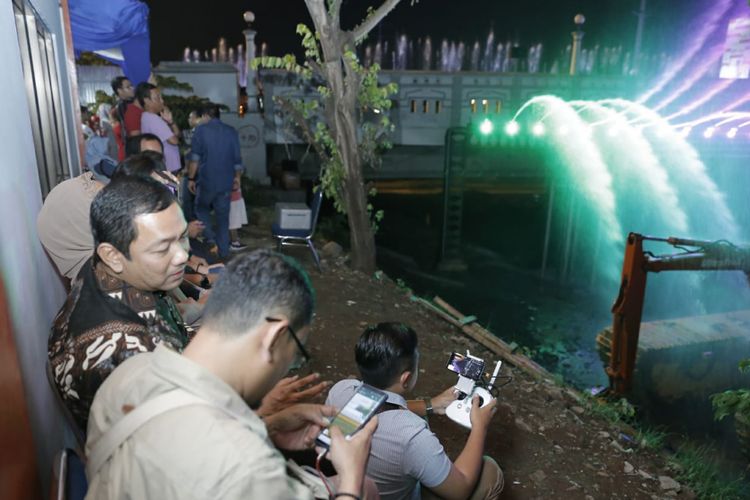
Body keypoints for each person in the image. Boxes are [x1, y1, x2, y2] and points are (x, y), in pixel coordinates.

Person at [85, 250, 377, 499]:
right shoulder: (246, 465)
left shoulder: (128, 373)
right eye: (295, 354)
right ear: (273, 337)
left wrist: (267, 426)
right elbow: (225, 460)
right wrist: (350, 479)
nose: (287, 368)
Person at [48, 176, 190, 433]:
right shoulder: (125, 353)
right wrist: (260, 415)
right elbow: (182, 446)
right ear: (112, 255)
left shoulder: (101, 272)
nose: (182, 255)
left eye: (183, 237)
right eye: (162, 248)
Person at [327, 322, 504, 500]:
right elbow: (461, 490)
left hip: (348, 489)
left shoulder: (340, 391)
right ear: (407, 378)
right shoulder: (412, 436)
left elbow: (376, 408)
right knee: (490, 470)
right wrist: (480, 427)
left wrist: (432, 404)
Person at [187, 103, 243, 259]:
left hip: (206, 182)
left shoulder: (201, 130)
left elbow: (195, 158)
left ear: (205, 116)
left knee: (201, 209)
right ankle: (224, 252)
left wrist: (191, 178)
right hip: (226, 183)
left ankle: (211, 240)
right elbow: (237, 159)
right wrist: (237, 178)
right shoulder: (231, 132)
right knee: (223, 219)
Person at [138, 82, 182, 173]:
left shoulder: (146, 117)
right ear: (146, 100)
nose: (162, 101)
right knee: (171, 187)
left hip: (163, 166)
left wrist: (171, 122)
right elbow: (174, 141)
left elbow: (176, 135)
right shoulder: (154, 119)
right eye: (158, 98)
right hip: (168, 167)